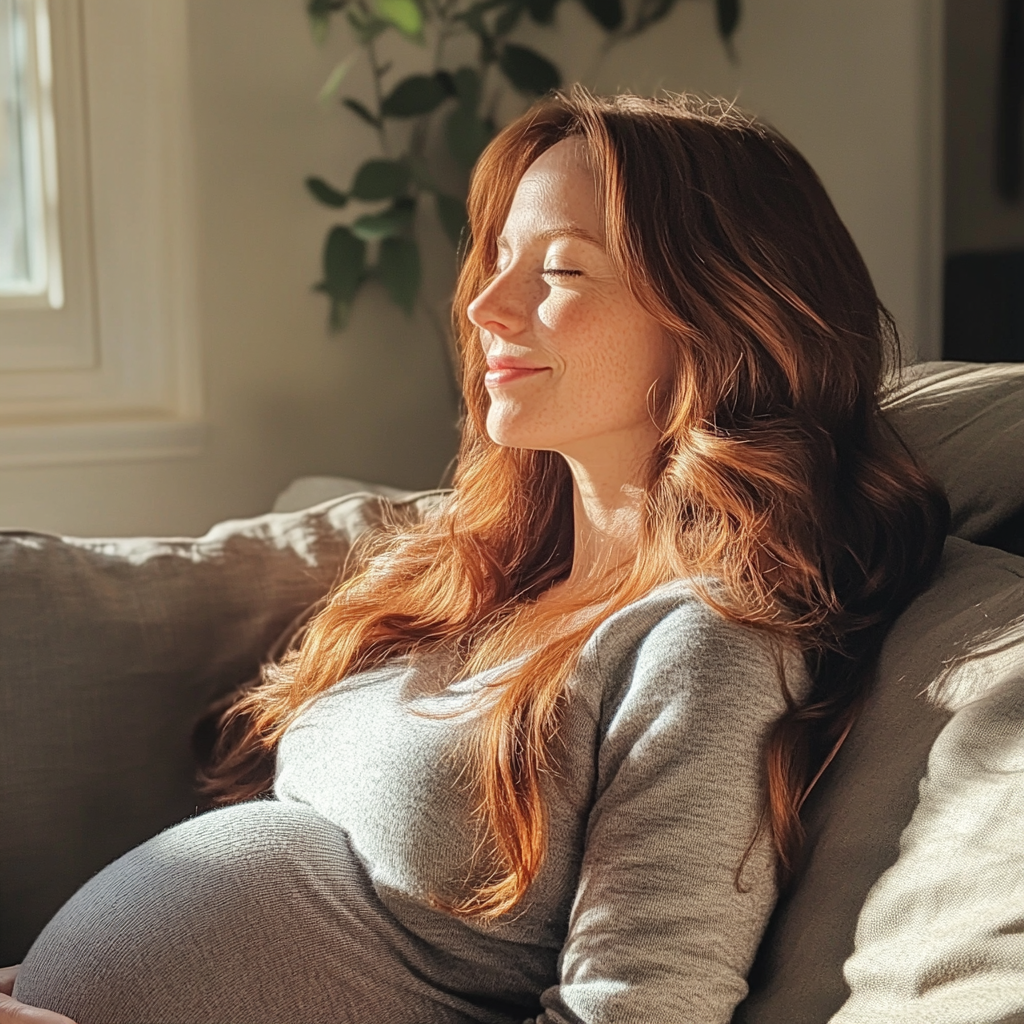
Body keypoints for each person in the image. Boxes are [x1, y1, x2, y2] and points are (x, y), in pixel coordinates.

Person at [2, 90, 949, 1024]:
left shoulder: (704, 648)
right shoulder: (483, 575)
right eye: (498, 257)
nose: (488, 306)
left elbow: (634, 1011)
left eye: (564, 271)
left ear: (719, 314)